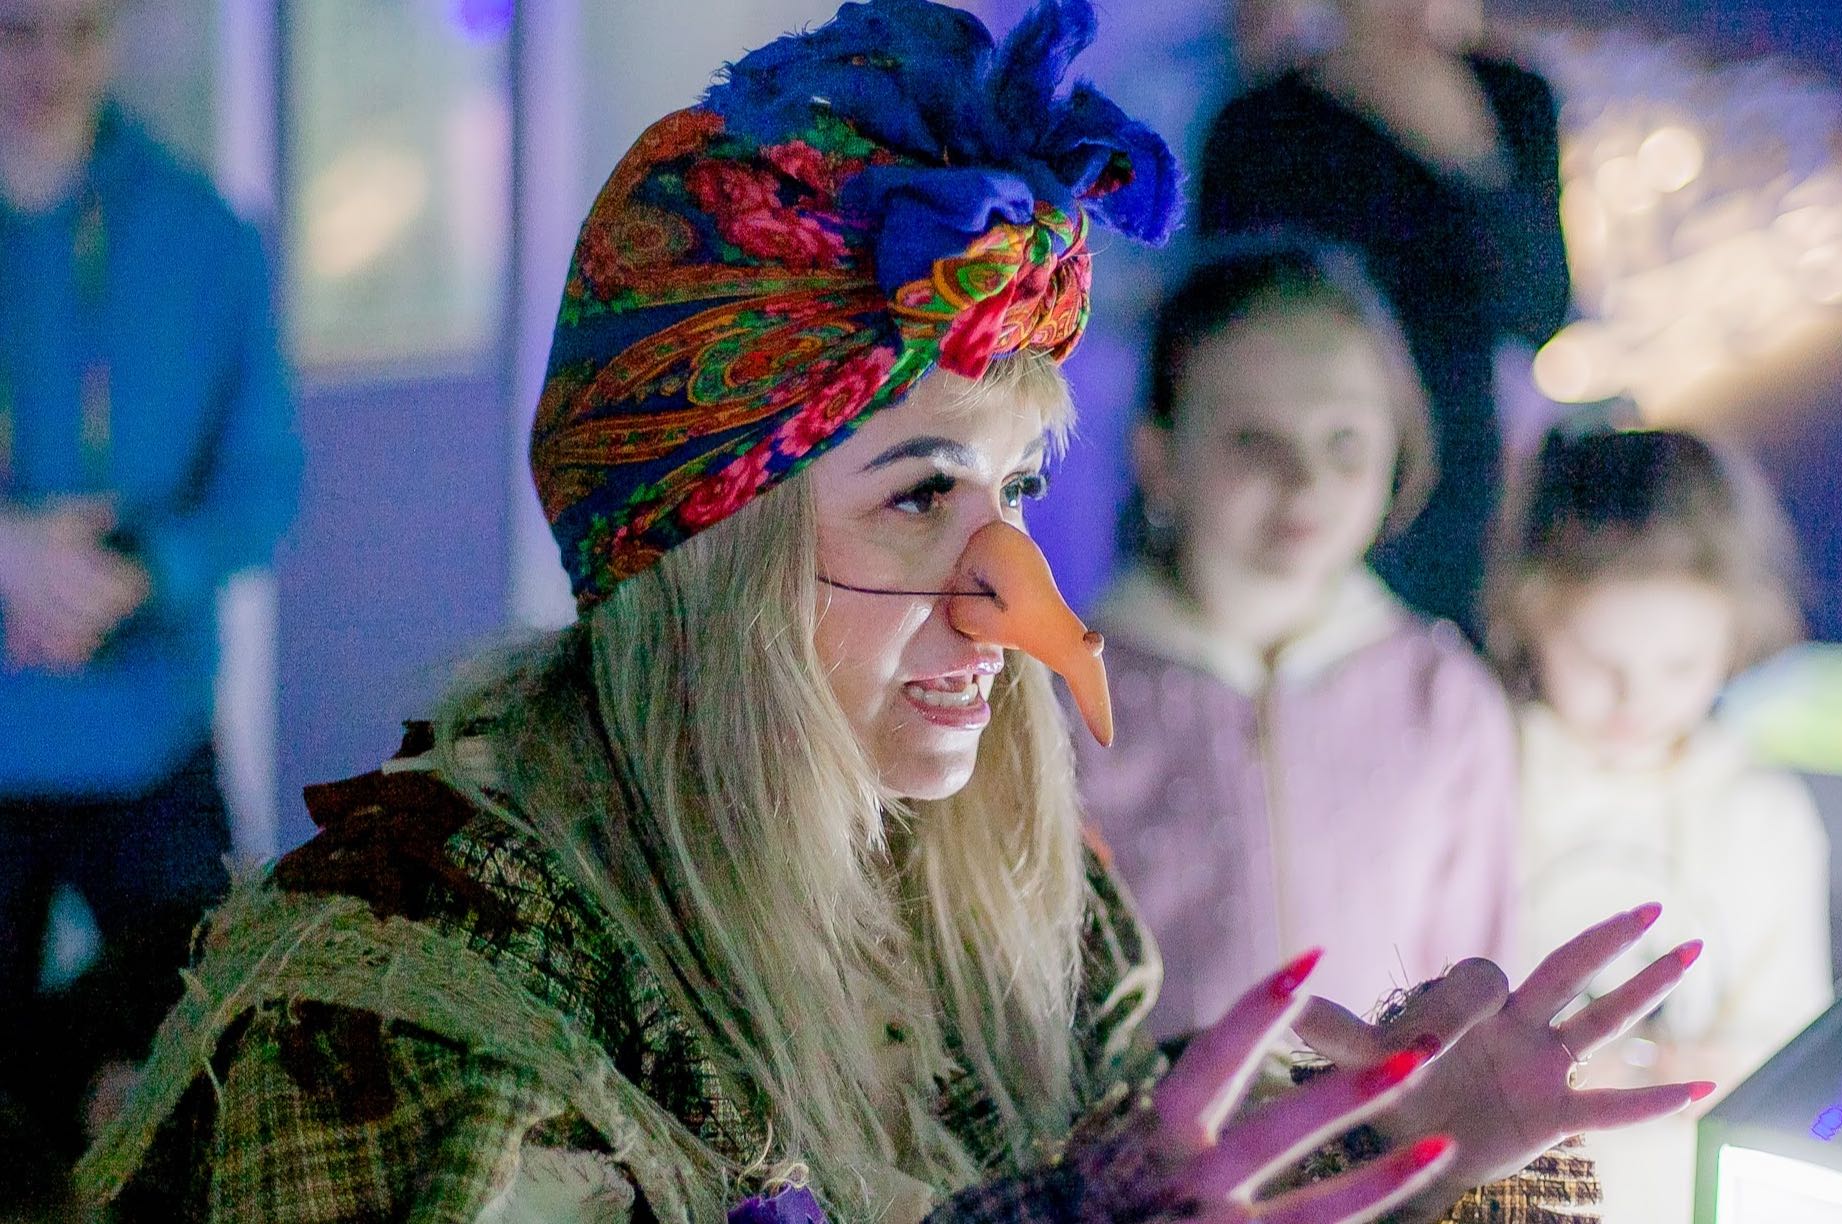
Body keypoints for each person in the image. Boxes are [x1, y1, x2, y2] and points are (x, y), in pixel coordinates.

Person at [79, 4, 1707, 1221]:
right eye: (921, 493)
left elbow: (1127, 1137)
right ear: (709, 548)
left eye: (1017, 489)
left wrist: (1398, 1149)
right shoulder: (405, 1015)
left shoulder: (1011, 894)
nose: (1009, 600)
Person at [0, 0, 299, 1194]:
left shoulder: (204, 232)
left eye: (80, 30)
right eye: (17, 31)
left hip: (150, 732)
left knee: (203, 1075)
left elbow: (264, 483)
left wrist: (137, 574)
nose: (50, 64)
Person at [1076, 243, 1519, 1040]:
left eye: (1343, 439)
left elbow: (1477, 992)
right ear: (1159, 457)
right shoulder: (1065, 699)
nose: (1306, 480)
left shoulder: (1444, 700)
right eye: (1254, 440)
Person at [1487, 428, 1832, 1223]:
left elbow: (1791, 1051)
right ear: (1531, 616)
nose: (1635, 700)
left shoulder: (1764, 818)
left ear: (1736, 640)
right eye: (1599, 663)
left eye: (1679, 666)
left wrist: (1694, 1069)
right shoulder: (1485, 776)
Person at [1195, 0, 1570, 641]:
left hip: (1452, 468)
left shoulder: (1511, 98)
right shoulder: (1259, 123)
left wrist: (1469, 153)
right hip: (1300, 459)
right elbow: (1220, 318)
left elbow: (1540, 309)